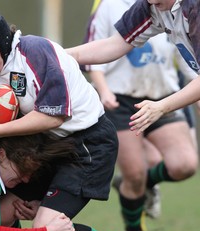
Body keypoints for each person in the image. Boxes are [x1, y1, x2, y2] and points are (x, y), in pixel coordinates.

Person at [0, 9, 156, 231]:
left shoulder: (35, 52)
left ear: (3, 42)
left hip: (87, 144)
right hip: (45, 146)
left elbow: (55, 117)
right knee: (2, 214)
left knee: (45, 227)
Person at [83, 0, 198, 231]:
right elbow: (109, 46)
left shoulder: (191, 9)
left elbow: (186, 54)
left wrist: (183, 94)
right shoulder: (137, 7)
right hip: (122, 99)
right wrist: (58, 55)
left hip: (161, 96)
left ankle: (143, 184)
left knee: (185, 164)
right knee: (135, 174)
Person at [65, 0, 200, 134]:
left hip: (164, 93)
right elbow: (115, 44)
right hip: (123, 97)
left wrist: (162, 106)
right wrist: (58, 54)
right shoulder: (151, 7)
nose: (150, 1)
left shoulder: (194, 8)